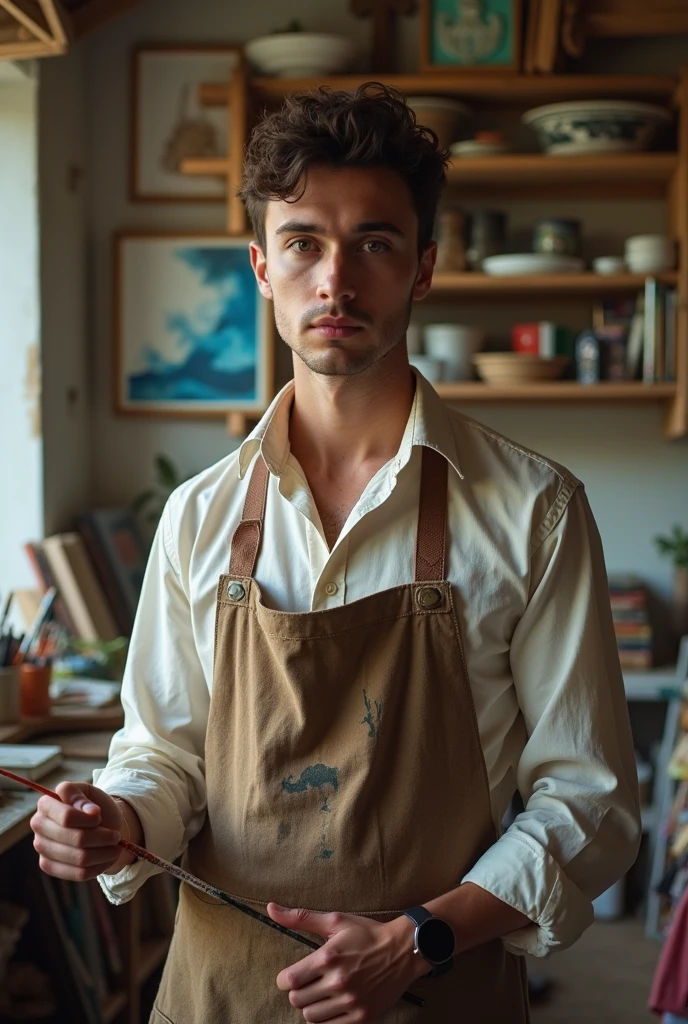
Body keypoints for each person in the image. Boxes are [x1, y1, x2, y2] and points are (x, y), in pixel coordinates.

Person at [29, 83, 641, 1022]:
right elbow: (165, 755)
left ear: (424, 268)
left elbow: (587, 799)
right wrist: (114, 820)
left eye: (376, 244)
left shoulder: (534, 511)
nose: (336, 281)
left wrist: (418, 939)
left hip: (438, 991)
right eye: (304, 241)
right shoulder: (197, 517)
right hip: (222, 997)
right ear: (263, 268)